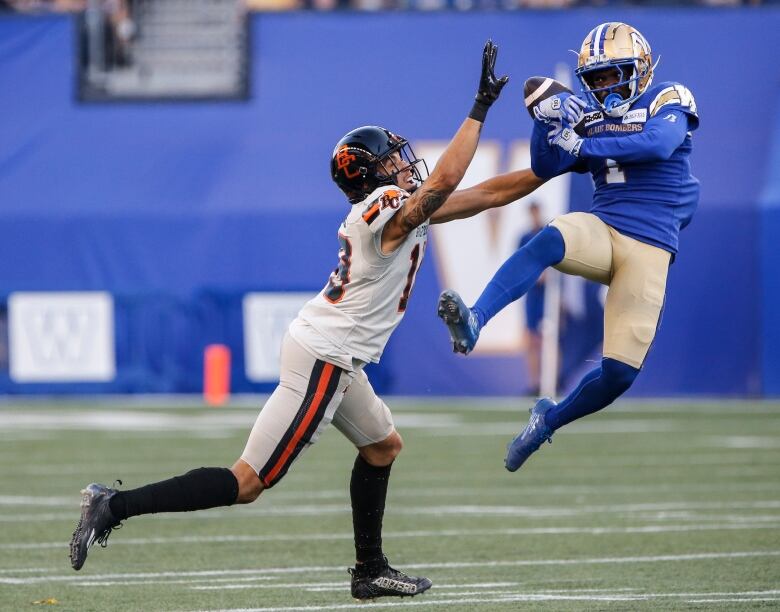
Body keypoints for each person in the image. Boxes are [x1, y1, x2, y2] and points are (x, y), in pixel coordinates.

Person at [70, 40, 546, 600]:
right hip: (326, 357)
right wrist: (480, 109)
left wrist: (557, 163)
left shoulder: (395, 208)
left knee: (382, 447)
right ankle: (112, 505)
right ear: (373, 176)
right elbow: (442, 185)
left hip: (335, 355)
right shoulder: (382, 213)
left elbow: (488, 193)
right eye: (391, 159)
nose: (402, 163)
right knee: (247, 482)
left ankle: (369, 571)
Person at [437, 22, 699, 472]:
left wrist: (583, 140)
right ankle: (475, 319)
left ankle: (548, 421)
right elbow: (545, 163)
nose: (604, 86)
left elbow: (659, 144)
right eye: (595, 78)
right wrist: (546, 122)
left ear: (638, 68)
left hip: (651, 245)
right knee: (550, 239)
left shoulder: (667, 97)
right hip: (604, 227)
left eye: (613, 74)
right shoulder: (588, 118)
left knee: (619, 374)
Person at [518, 201, 546, 396]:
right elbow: (519, 263)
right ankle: (535, 382)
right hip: (532, 293)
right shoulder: (525, 237)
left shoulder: (548, 233)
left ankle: (552, 379)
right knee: (531, 339)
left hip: (548, 294)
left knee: (549, 338)